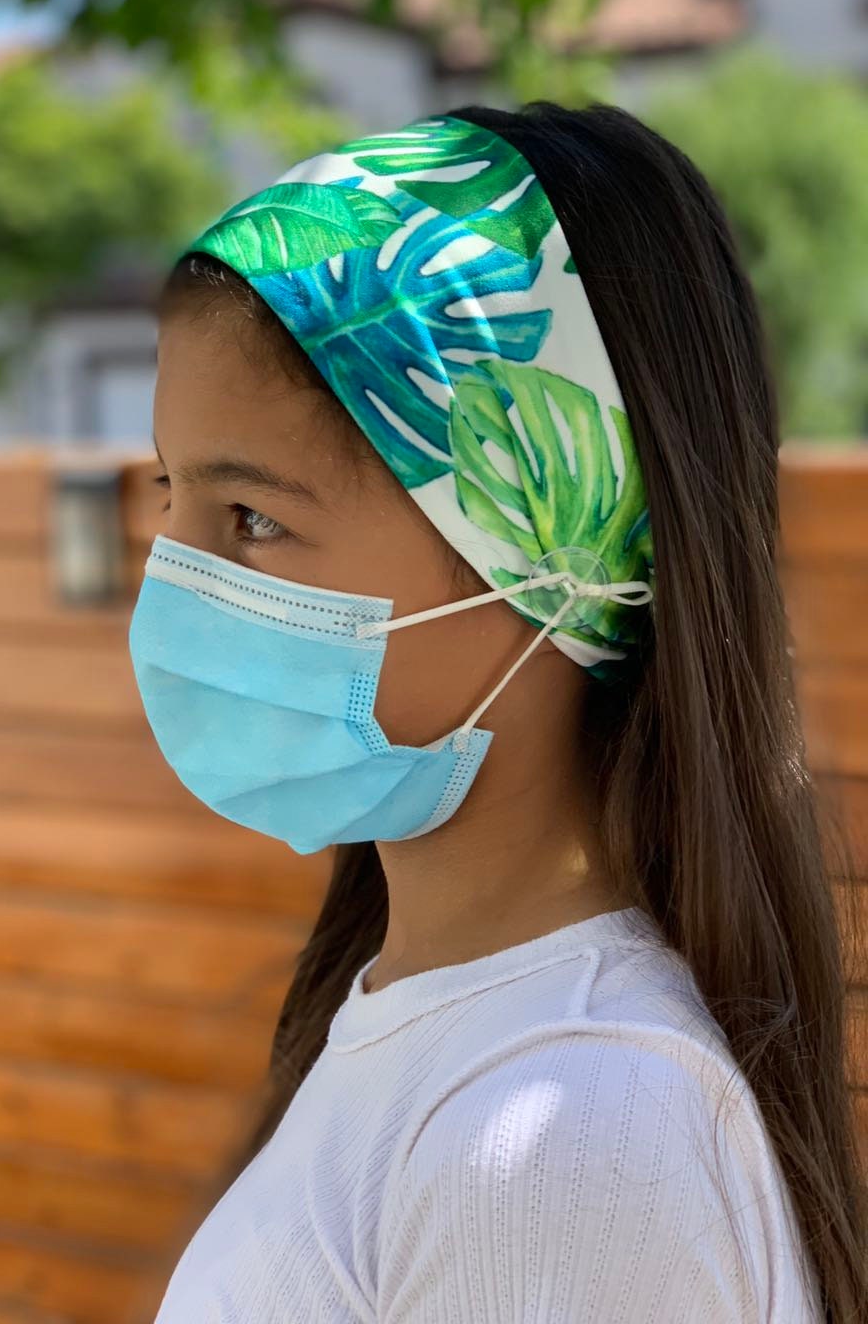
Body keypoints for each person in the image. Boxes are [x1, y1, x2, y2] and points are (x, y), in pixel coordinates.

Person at [125, 102, 867, 1321]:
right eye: (171, 494)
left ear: (545, 564)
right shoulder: (445, 1028)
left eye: (252, 518)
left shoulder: (571, 1136)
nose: (176, 578)